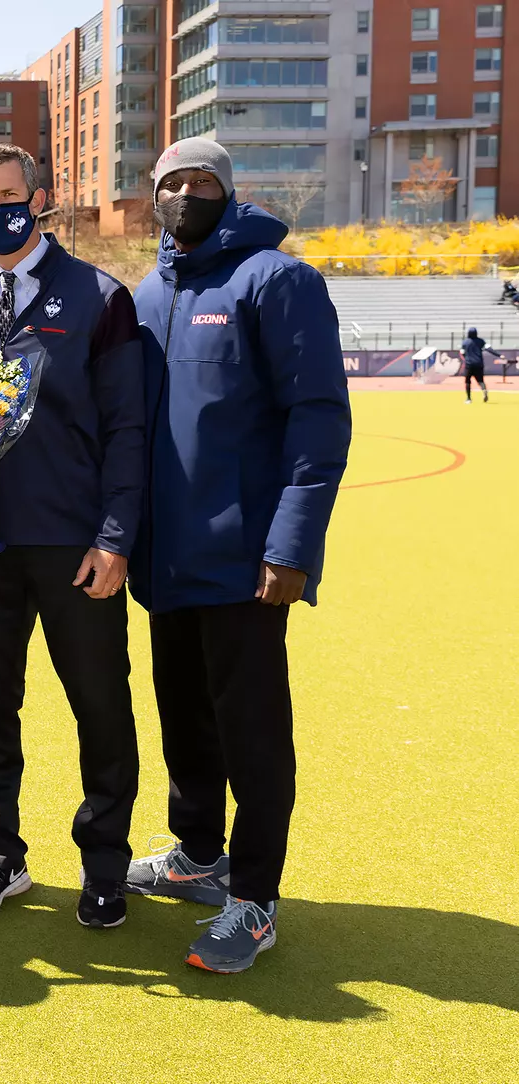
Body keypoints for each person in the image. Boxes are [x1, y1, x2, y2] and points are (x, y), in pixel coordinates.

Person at [129, 138, 351, 973]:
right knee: (184, 718)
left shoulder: (278, 279)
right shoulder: (151, 291)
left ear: (229, 191)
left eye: (203, 182)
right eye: (172, 184)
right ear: (153, 197)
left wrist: (291, 545)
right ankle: (198, 854)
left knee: (252, 733)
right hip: (167, 564)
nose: (187, 194)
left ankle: (254, 900)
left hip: (248, 563)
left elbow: (319, 418)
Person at [0, 144, 145, 930]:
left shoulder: (99, 297)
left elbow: (128, 429)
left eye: (8, 194)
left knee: (100, 704)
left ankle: (104, 863)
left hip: (76, 549)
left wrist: (116, 535)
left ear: (40, 199)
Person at [462, 327, 489, 403]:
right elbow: (488, 348)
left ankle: (468, 398)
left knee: (467, 381)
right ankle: (484, 391)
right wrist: (499, 355)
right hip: (479, 363)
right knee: (480, 380)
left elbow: (462, 352)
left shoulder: (465, 342)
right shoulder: (481, 341)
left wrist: (466, 358)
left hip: (469, 364)